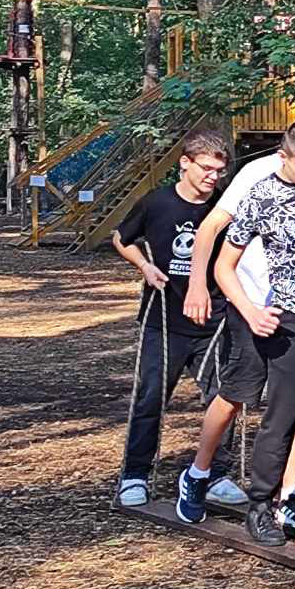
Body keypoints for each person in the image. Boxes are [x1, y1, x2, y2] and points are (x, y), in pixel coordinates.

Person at [179, 105, 295, 533]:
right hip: (253, 298)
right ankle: (198, 473)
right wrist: (198, 285)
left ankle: (288, 494)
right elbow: (212, 230)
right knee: (238, 392)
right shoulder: (258, 178)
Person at [109, 128, 249, 512]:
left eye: (219, 171)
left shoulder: (222, 207)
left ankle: (214, 473)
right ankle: (135, 474)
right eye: (206, 168)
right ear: (185, 163)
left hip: (214, 321)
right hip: (164, 319)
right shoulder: (157, 202)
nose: (213, 177)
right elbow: (121, 237)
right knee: (151, 396)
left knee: (222, 397)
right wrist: (144, 266)